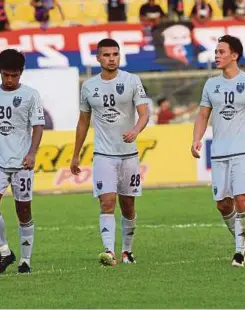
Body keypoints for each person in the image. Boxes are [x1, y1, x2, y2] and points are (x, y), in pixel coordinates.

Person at [191, 35, 245, 267]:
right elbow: (203, 115)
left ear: (234, 55)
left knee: (243, 199)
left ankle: (240, 252)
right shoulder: (211, 84)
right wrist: (196, 139)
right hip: (219, 152)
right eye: (216, 52)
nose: (217, 56)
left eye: (221, 52)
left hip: (244, 151)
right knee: (223, 204)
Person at [70, 38, 150, 266]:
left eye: (115, 54)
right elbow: (83, 122)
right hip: (103, 155)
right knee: (107, 202)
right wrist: (76, 154)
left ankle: (127, 250)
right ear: (98, 58)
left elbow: (144, 114)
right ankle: (109, 251)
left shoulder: (132, 81)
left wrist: (135, 130)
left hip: (129, 155)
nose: (111, 58)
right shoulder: (88, 86)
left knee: (128, 205)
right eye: (106, 55)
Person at [0, 49, 45, 275]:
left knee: (23, 210)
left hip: (22, 162)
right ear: (0, 72)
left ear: (21, 73)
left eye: (14, 75)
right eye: (6, 75)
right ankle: (4, 252)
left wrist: (32, 153)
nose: (9, 80)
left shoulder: (31, 95)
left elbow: (38, 126)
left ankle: (25, 260)